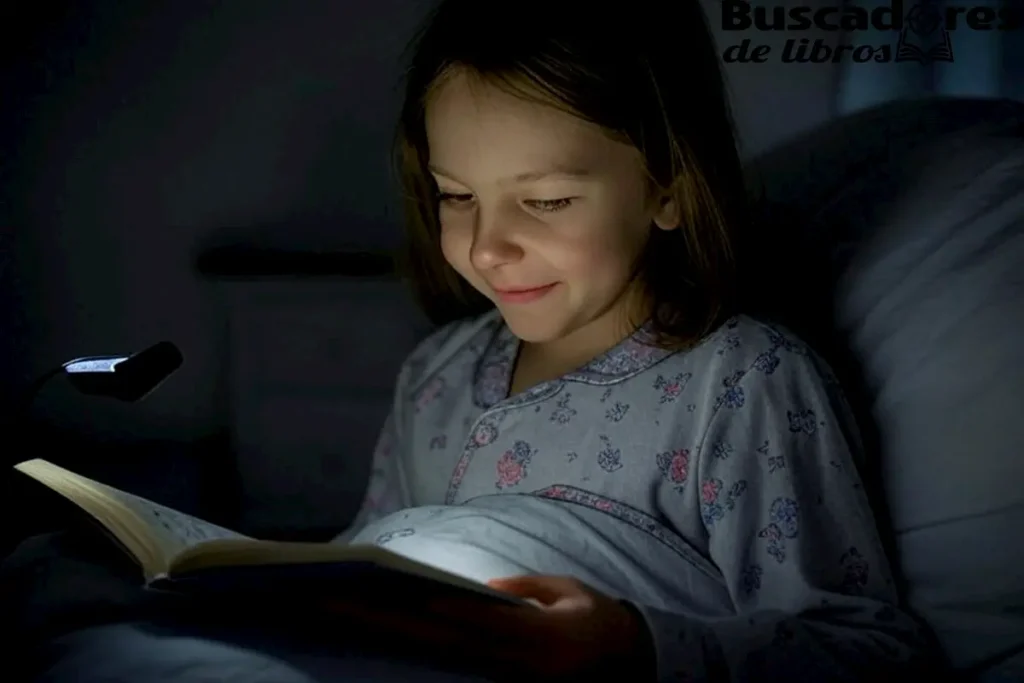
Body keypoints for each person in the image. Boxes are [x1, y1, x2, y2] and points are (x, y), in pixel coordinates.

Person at [327, 0, 936, 680]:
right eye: (456, 196)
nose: (487, 247)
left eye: (548, 200)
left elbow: (868, 653)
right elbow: (364, 566)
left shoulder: (738, 384)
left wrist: (635, 643)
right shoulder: (435, 376)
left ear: (667, 188)